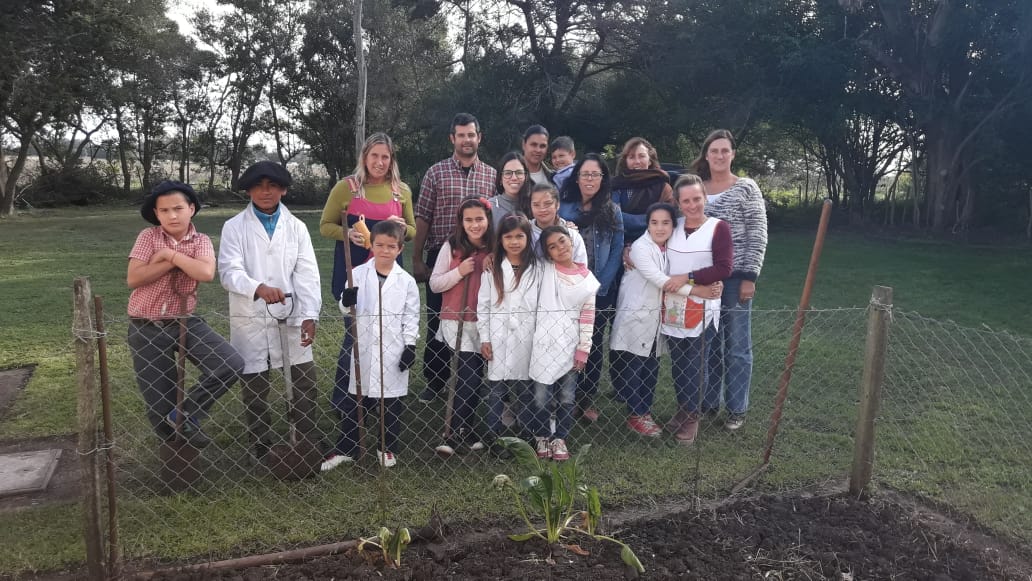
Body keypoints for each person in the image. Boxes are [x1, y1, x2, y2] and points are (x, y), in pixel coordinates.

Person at [219, 161, 323, 462]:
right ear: (249, 189)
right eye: (259, 185)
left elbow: (307, 275)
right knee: (255, 385)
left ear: (284, 189)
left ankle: (304, 440)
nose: (266, 192)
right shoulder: (234, 227)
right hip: (250, 315)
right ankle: (261, 445)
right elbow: (228, 271)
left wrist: (309, 316)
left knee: (304, 380)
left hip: (290, 313)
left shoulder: (297, 228)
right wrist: (257, 287)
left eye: (273, 186)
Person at [127, 181, 243, 448]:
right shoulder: (148, 237)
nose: (172, 215)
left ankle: (185, 413)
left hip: (184, 321)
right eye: (164, 210)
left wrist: (168, 255)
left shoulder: (201, 241)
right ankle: (177, 460)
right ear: (156, 214)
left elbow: (205, 273)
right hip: (146, 326)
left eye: (178, 208)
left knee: (229, 363)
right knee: (159, 397)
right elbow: (134, 278)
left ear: (191, 209)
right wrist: (180, 262)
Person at [319, 133, 414, 438]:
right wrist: (348, 234)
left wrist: (401, 229)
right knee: (355, 335)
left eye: (385, 157)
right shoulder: (346, 188)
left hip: (389, 273)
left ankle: (381, 396)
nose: (379, 162)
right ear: (364, 157)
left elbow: (411, 229)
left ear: (392, 160)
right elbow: (325, 225)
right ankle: (346, 399)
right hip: (354, 269)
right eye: (374, 156)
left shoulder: (402, 192)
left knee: (387, 335)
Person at [321, 221, 420, 472]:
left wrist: (410, 346)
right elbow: (346, 307)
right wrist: (346, 300)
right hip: (363, 348)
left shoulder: (406, 281)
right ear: (371, 245)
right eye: (379, 245)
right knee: (356, 399)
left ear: (399, 249)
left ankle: (386, 447)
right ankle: (347, 448)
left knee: (391, 404)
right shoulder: (357, 273)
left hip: (393, 349)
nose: (385, 251)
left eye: (391, 247)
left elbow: (411, 316)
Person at [413, 113, 498, 403]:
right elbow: (422, 216)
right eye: (461, 135)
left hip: (479, 257)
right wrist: (417, 259)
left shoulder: (490, 174)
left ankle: (473, 376)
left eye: (471, 134)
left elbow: (493, 219)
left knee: (477, 316)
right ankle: (435, 380)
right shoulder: (435, 173)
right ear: (452, 138)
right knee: (438, 317)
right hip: (443, 253)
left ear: (479, 137)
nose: (466, 140)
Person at [691, 129, 768, 430]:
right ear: (706, 154)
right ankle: (709, 402)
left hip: (736, 279)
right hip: (704, 280)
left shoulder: (746, 188)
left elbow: (757, 234)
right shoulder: (698, 188)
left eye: (725, 151)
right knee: (706, 343)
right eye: (714, 151)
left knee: (737, 345)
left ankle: (737, 408)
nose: (720, 156)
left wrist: (749, 276)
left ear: (733, 154)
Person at [609, 203, 691, 437]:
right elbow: (661, 280)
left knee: (651, 367)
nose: (660, 228)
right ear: (647, 225)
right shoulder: (640, 248)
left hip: (657, 319)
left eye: (665, 222)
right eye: (654, 222)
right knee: (635, 366)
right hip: (637, 317)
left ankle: (645, 412)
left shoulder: (670, 247)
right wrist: (698, 290)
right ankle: (636, 414)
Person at [662, 174, 732, 444]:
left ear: (704, 197)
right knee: (678, 365)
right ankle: (683, 408)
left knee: (696, 364)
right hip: (674, 306)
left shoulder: (718, 228)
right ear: (678, 203)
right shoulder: (673, 227)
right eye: (686, 201)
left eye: (697, 199)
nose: (692, 205)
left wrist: (688, 276)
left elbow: (723, 268)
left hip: (703, 306)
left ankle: (693, 416)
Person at [559, 154, 624, 422]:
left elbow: (617, 248)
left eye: (595, 175)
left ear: (603, 179)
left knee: (593, 345)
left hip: (599, 290)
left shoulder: (612, 210)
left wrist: (600, 285)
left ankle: (585, 400)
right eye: (585, 174)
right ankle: (564, 398)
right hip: (565, 289)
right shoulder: (564, 209)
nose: (589, 179)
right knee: (565, 343)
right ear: (576, 178)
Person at [430, 197, 494, 457]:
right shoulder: (452, 247)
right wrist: (460, 271)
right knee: (467, 375)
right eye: (469, 220)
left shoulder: (495, 247)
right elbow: (435, 284)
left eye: (479, 219)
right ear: (461, 222)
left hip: (485, 321)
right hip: (456, 320)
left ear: (488, 220)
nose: (474, 225)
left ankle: (466, 427)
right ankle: (455, 429)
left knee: (476, 376)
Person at [529, 226, 599, 461]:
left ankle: (560, 437)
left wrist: (583, 348)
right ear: (547, 254)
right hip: (544, 340)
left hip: (571, 341)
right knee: (541, 394)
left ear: (571, 241)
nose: (560, 248)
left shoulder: (587, 280)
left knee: (567, 396)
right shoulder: (545, 271)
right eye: (552, 246)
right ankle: (541, 436)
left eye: (562, 241)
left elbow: (588, 315)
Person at [477, 213, 540, 457]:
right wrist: (485, 338)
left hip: (526, 337)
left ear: (528, 238)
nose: (514, 241)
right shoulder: (492, 269)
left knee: (524, 389)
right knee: (496, 389)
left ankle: (525, 435)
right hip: (498, 337)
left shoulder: (537, 269)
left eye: (519, 236)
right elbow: (483, 306)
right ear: (500, 239)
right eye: (508, 237)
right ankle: (494, 436)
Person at [611, 137, 674, 243]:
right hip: (618, 244)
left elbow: (665, 220)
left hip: (651, 246)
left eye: (642, 156)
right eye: (631, 157)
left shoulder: (663, 188)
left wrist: (621, 218)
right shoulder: (615, 186)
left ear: (650, 160)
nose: (637, 161)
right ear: (625, 161)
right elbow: (609, 218)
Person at [528, 183, 587, 265]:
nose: (542, 209)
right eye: (536, 205)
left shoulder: (572, 235)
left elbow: (580, 268)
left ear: (557, 205)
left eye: (547, 204)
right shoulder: (525, 234)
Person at [488, 151, 533, 229]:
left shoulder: (534, 204)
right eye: (508, 173)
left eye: (519, 173)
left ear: (526, 176)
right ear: (500, 179)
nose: (514, 178)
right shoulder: (491, 207)